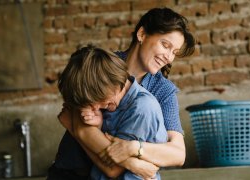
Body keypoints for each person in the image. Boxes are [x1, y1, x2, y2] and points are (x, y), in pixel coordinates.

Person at [52, 6, 196, 179]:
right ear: (142, 34)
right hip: (71, 172)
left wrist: (134, 148)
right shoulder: (102, 66)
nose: (169, 57)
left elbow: (178, 154)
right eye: (165, 45)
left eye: (174, 52)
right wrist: (132, 163)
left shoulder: (163, 91)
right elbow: (83, 128)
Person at [47, 44, 167, 180]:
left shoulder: (141, 108)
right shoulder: (108, 99)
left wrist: (75, 129)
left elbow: (113, 169)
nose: (95, 108)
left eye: (95, 102)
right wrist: (94, 127)